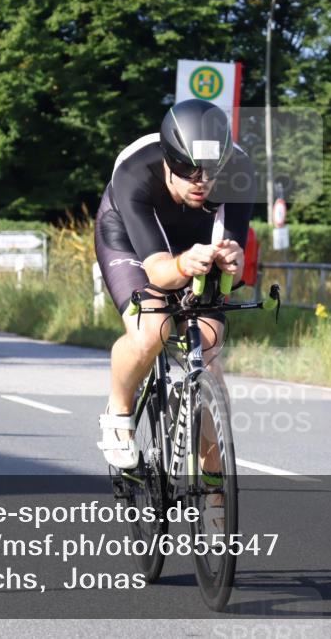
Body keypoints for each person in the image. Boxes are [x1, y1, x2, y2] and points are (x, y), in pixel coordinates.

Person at [94, 99, 256, 470]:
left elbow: (234, 265)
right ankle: (119, 412)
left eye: (211, 170)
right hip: (131, 241)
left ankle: (214, 487)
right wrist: (184, 263)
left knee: (210, 346)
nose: (201, 182)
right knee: (151, 330)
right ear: (168, 160)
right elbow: (159, 272)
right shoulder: (136, 172)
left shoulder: (240, 169)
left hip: (196, 242)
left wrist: (233, 261)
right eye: (187, 169)